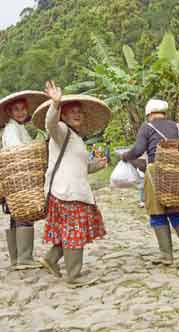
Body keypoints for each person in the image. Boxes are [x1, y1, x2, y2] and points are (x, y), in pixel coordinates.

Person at [32, 81, 111, 288]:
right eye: (71, 112)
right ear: (64, 116)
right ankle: (73, 276)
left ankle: (50, 260)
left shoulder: (76, 138)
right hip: (66, 192)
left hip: (71, 191)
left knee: (68, 231)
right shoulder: (61, 132)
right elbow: (50, 123)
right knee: (74, 231)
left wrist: (97, 165)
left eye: (79, 112)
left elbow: (79, 166)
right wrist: (55, 104)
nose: (76, 114)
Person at [121, 99, 179, 268]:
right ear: (164, 113)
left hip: (157, 171)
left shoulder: (147, 127)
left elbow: (138, 150)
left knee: (157, 213)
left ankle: (166, 255)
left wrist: (125, 156)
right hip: (178, 171)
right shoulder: (178, 127)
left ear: (149, 114)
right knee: (178, 210)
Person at [0, 91, 49, 270]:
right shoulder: (12, 129)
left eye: (22, 109)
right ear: (10, 113)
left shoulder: (17, 128)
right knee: (24, 214)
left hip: (15, 179)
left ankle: (16, 258)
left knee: (16, 215)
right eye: (16, 109)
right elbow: (17, 152)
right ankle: (25, 258)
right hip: (19, 178)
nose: (20, 112)